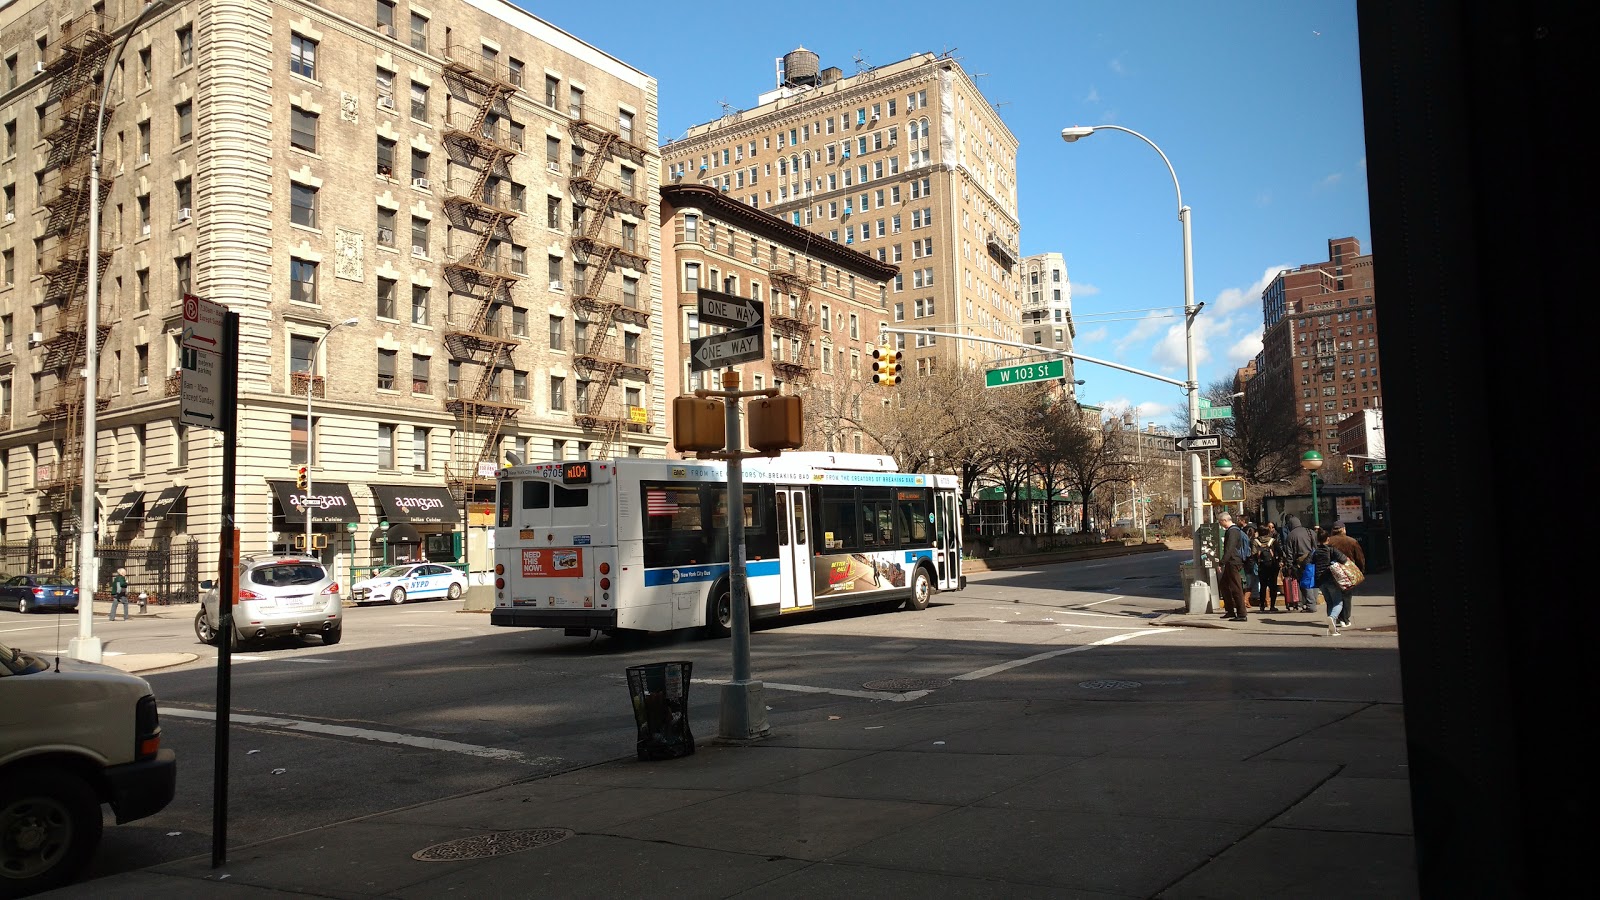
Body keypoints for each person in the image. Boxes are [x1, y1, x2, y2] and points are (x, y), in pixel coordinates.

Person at [1309, 527, 1352, 636]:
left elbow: (1310, 562)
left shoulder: (1315, 552)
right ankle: (1332, 618)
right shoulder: (1331, 550)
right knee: (1338, 602)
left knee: (1330, 602)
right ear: (1328, 539)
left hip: (1320, 581)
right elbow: (1344, 559)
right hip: (1331, 578)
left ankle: (1332, 629)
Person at [1325, 521, 1366, 628]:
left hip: (1332, 572)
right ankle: (1345, 619)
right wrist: (1360, 571)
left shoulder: (1329, 541)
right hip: (1348, 572)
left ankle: (1336, 617)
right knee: (1347, 596)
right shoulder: (1352, 541)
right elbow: (1360, 558)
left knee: (1334, 597)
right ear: (1343, 529)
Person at [1218, 511, 1250, 622]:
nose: (1220, 524)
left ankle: (1241, 614)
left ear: (1225, 520)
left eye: (1220, 521)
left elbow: (1229, 548)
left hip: (1233, 562)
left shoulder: (1233, 532)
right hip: (1232, 562)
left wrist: (1222, 562)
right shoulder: (1234, 531)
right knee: (1223, 585)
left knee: (1236, 587)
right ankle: (1230, 610)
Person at [1281, 515, 1317, 612]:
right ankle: (1313, 601)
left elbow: (1289, 553)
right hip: (1313, 558)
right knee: (1313, 580)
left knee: (1305, 582)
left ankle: (1310, 604)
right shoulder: (1310, 532)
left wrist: (1289, 565)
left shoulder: (1291, 535)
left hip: (1301, 562)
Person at [1253, 522, 1283, 612]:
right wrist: (1280, 561)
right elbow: (1280, 552)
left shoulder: (1255, 541)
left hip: (1262, 566)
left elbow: (1253, 554)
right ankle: (1272, 606)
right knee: (1273, 586)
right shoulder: (1273, 541)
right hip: (1272, 566)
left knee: (1263, 586)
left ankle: (1262, 605)